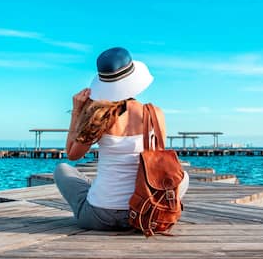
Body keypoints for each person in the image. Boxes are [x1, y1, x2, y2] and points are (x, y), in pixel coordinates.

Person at [54, 47, 189, 230]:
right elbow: (159, 162)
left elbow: (72, 154)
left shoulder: (98, 116)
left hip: (98, 216)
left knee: (62, 169)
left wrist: (77, 111)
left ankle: (101, 192)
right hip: (144, 213)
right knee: (184, 176)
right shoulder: (155, 114)